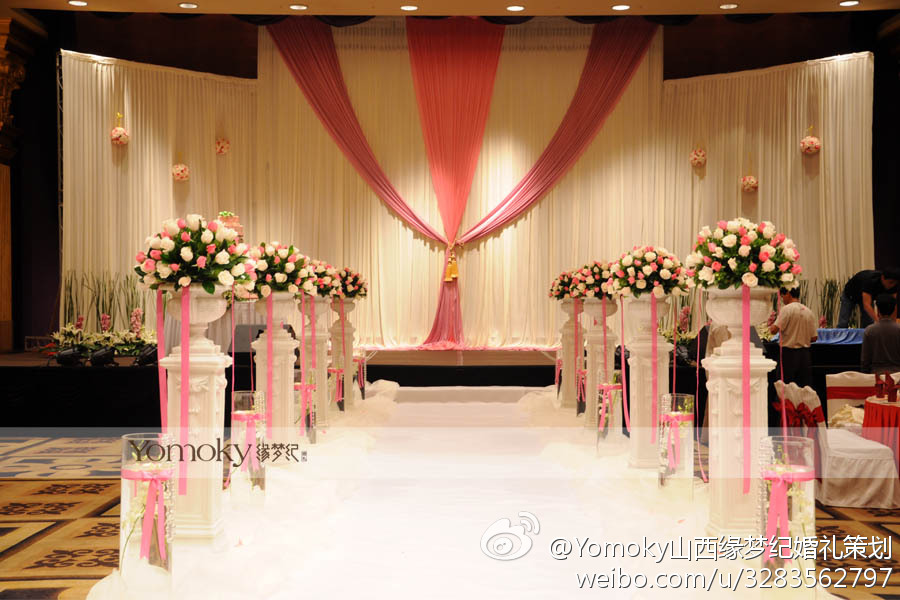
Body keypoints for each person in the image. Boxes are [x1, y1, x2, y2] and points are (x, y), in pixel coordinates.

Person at [769, 287, 818, 387]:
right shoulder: (808, 311)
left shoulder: (787, 309)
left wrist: (770, 325)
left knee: (785, 388)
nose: (782, 299)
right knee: (803, 388)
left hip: (788, 355)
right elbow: (814, 338)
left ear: (788, 293)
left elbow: (773, 330)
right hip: (805, 356)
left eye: (783, 296)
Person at [861, 294, 900, 374]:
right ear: (894, 310)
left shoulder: (869, 330)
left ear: (878, 310)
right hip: (897, 375)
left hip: (876, 376)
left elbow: (865, 360)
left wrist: (866, 376)